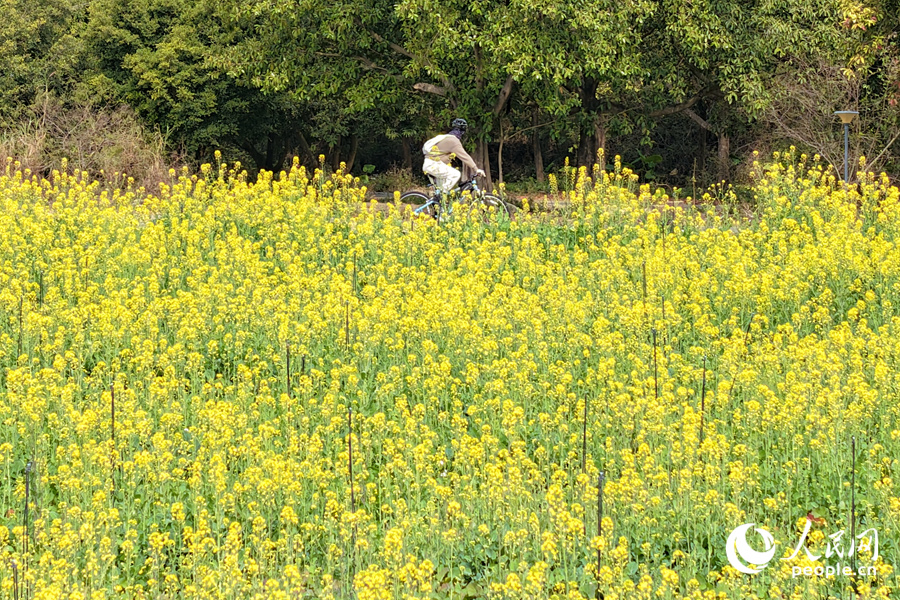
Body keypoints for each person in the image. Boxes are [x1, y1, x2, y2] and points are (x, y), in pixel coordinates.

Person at [421, 118, 486, 195]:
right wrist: (476, 169)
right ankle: (441, 195)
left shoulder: (446, 137)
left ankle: (438, 201)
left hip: (431, 164)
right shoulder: (454, 141)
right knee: (456, 174)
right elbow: (464, 156)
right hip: (432, 165)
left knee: (442, 188)